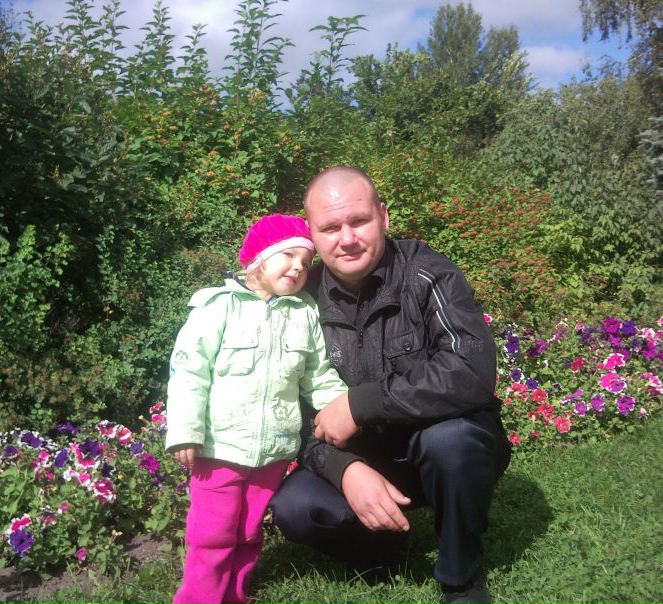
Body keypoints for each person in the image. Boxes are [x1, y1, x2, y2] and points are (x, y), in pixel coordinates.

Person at [269, 166, 511, 604]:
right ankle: (383, 547)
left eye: (358, 221)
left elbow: (471, 370)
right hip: (363, 456)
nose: (347, 239)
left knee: (452, 443)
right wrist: (344, 469)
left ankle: (460, 577)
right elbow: (285, 410)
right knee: (295, 506)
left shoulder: (428, 272)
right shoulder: (298, 301)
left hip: (438, 443)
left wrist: (361, 404)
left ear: (383, 216)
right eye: (330, 228)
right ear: (312, 234)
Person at [166, 213, 348, 604]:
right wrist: (185, 430)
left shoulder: (304, 313)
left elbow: (317, 374)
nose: (298, 267)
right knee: (212, 534)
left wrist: (343, 408)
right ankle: (199, 598)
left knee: (248, 532)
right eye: (289, 256)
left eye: (306, 262)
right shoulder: (219, 307)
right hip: (219, 448)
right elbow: (189, 370)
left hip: (273, 450)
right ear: (259, 260)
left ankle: (234, 594)